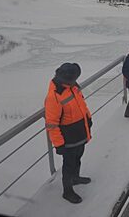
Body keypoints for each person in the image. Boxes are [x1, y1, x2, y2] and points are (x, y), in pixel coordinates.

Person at [44, 63, 93, 204]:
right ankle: (67, 191)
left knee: (78, 157)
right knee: (68, 164)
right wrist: (59, 144)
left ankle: (75, 178)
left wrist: (88, 118)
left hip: (80, 132)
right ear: (67, 78)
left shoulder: (73, 86)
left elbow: (82, 105)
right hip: (69, 138)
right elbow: (52, 124)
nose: (76, 80)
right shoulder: (54, 96)